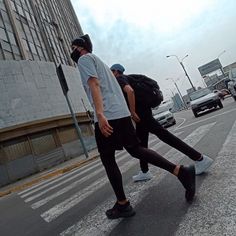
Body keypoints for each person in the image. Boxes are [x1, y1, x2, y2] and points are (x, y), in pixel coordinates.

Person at [71, 35, 196, 220]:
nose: (71, 52)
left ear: (80, 48)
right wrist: (126, 113)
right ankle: (180, 171)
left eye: (72, 47)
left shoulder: (84, 59)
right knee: (136, 149)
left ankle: (123, 204)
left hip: (108, 114)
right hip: (119, 113)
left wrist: (100, 114)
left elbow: (94, 85)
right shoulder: (101, 63)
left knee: (108, 158)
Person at [110, 63, 213, 182]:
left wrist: (132, 112)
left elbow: (130, 91)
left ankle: (200, 158)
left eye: (112, 71)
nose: (111, 74)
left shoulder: (120, 79)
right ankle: (145, 171)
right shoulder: (130, 78)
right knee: (142, 145)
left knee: (165, 137)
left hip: (141, 114)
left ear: (117, 71)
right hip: (144, 113)